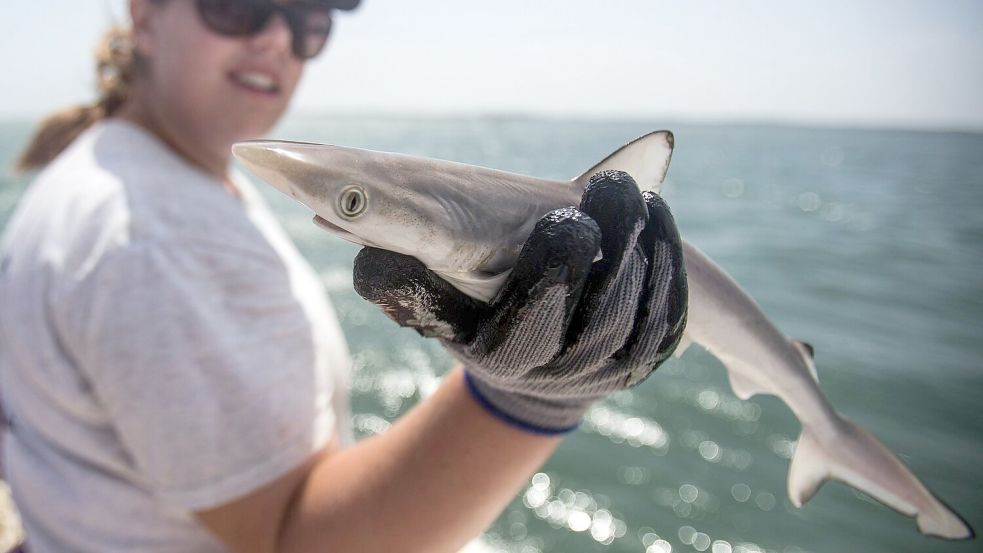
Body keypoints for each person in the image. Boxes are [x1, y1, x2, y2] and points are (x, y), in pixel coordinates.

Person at [0, 1, 688, 552]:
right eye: (237, 8)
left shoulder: (118, 167)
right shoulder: (158, 239)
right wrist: (536, 398)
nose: (276, 37)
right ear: (143, 15)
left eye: (309, 23)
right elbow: (294, 540)